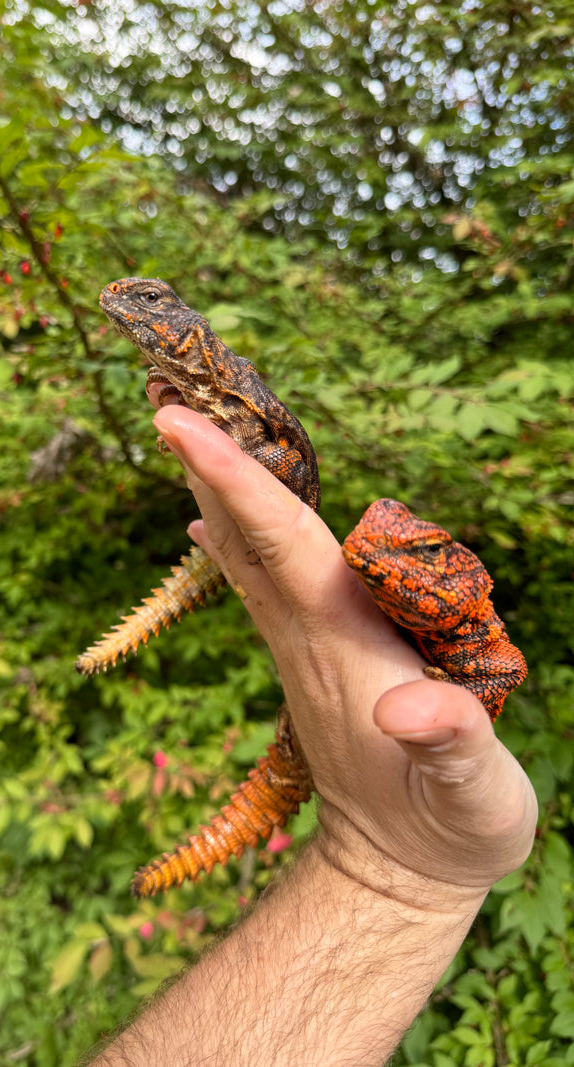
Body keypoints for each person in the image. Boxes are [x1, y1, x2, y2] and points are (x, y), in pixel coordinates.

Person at [88, 400, 537, 1067]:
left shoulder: (484, 652)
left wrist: (394, 865)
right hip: (318, 734)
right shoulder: (389, 593)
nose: (375, 547)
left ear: (466, 586)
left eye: (426, 553)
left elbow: (503, 668)